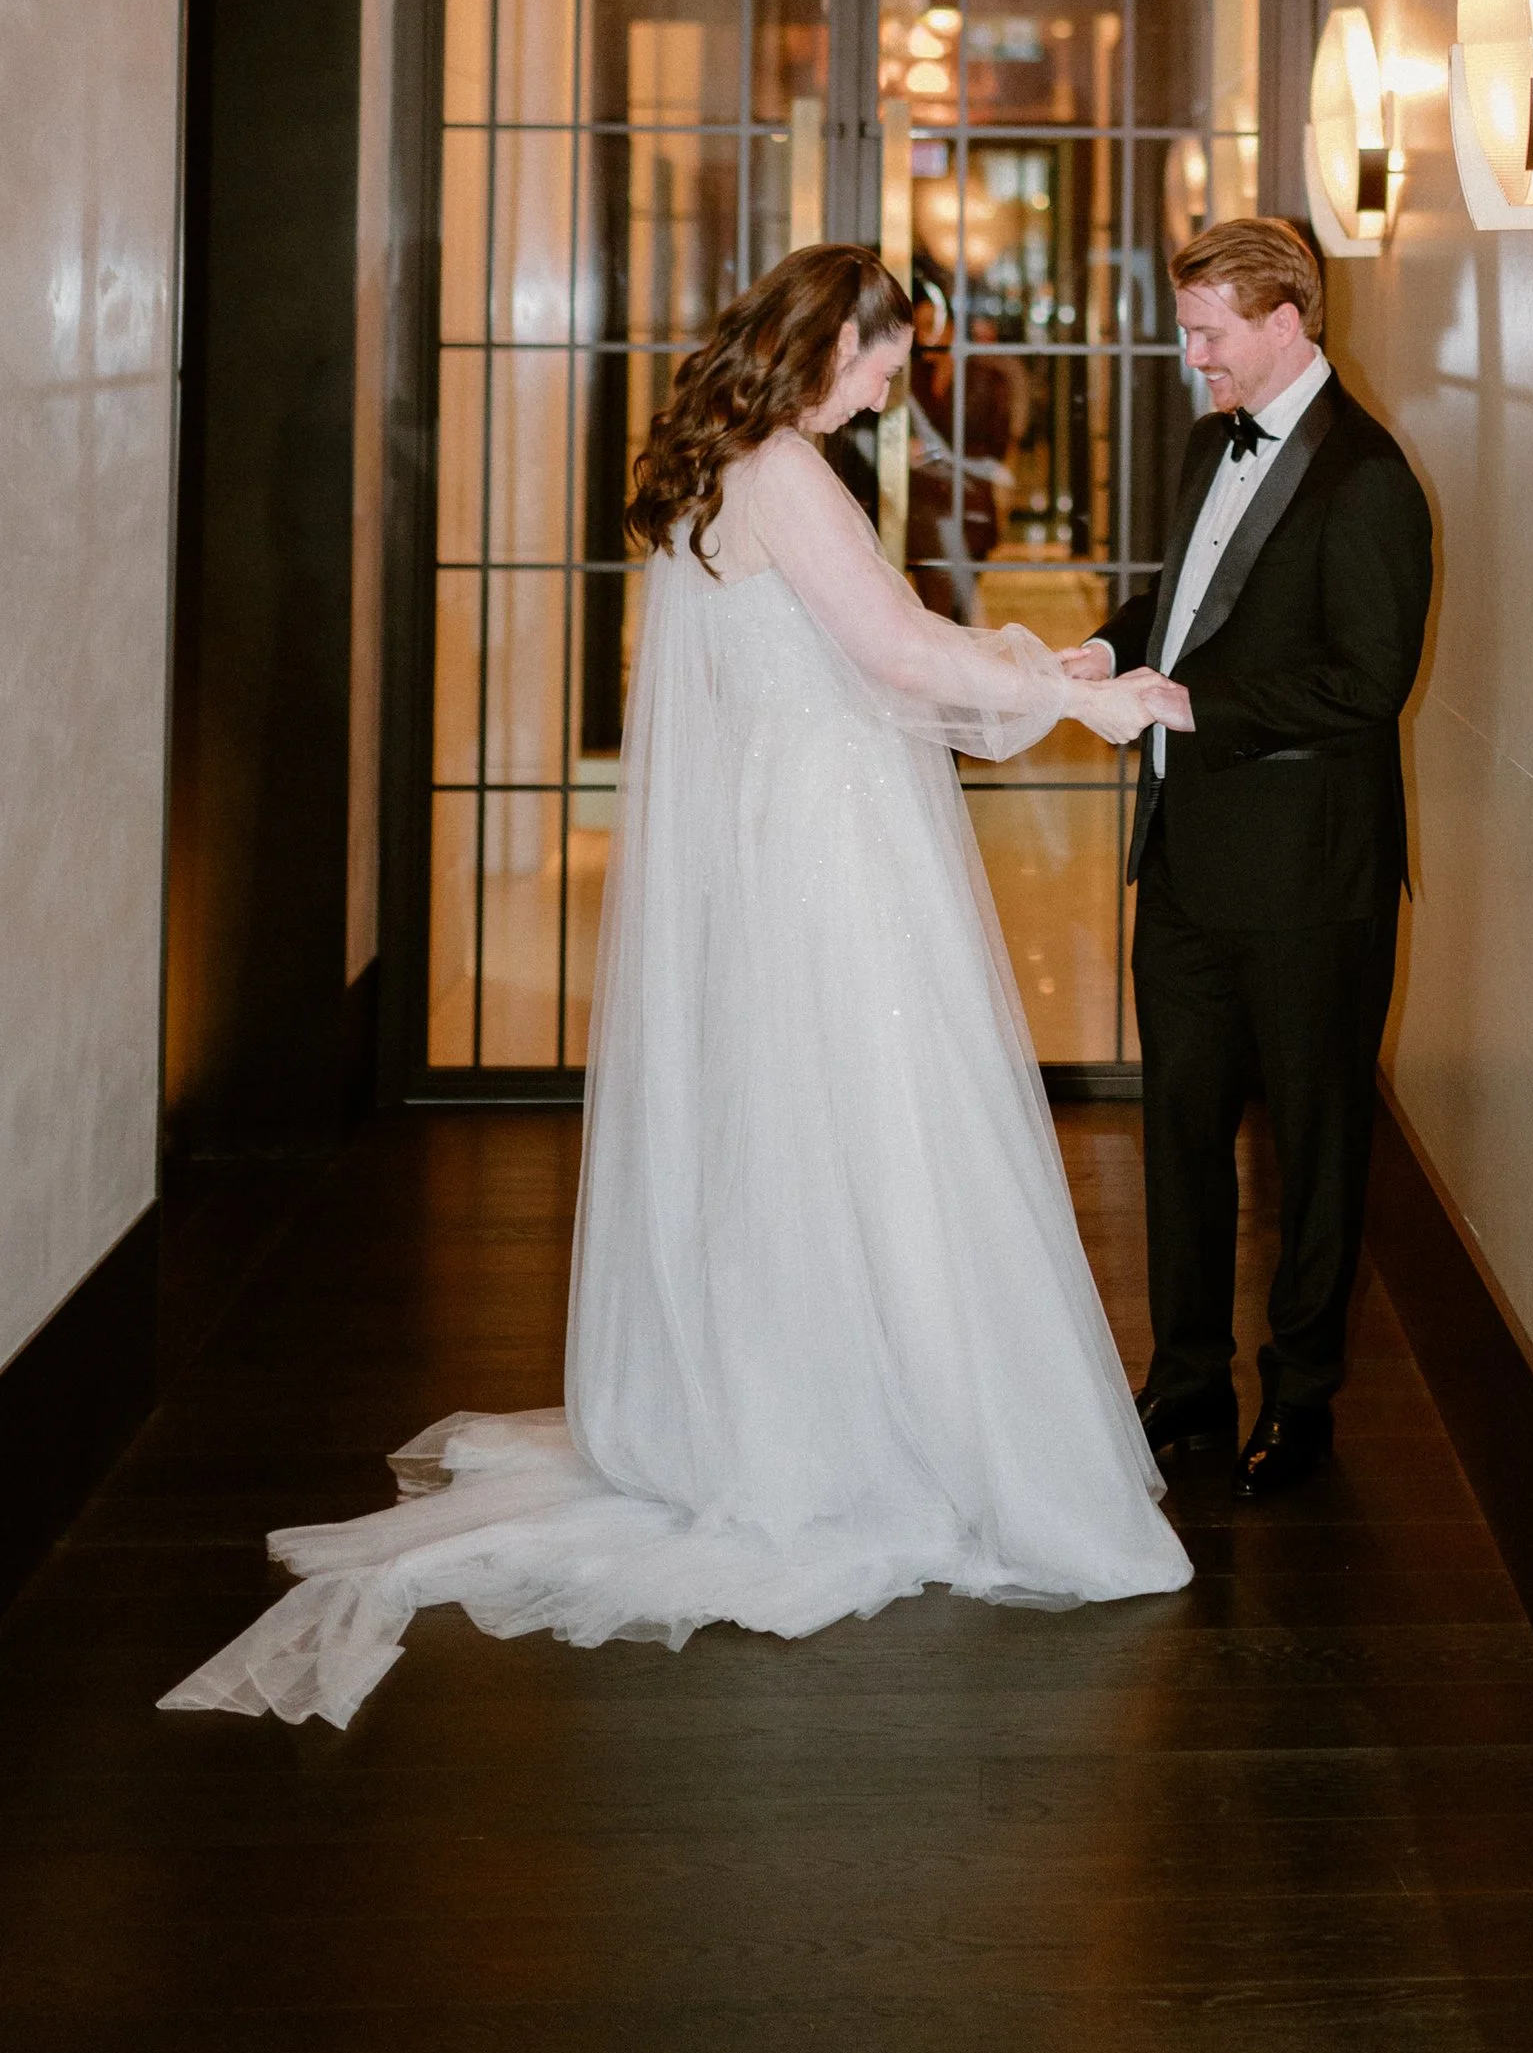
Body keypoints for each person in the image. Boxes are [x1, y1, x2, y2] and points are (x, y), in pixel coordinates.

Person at [163, 244, 1190, 1730]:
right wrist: (1086, 696)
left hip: (775, 834)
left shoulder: (722, 461)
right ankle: (868, 1426)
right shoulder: (786, 469)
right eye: (887, 351)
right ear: (825, 337)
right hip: (835, 838)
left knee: (792, 1127)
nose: (900, 376)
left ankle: (775, 1389)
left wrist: (1037, 655)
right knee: (881, 1119)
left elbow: (862, 652)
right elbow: (895, 655)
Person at [1065, 219, 1434, 1502]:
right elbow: (1189, 604)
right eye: (1187, 328)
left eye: (1208, 332)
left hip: (1307, 880)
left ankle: (1304, 1397)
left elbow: (1367, 682)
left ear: (1287, 322)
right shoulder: (1201, 442)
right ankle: (1182, 1387)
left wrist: (1193, 711)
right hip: (1180, 861)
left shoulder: (1371, 477)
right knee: (1175, 1134)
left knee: (1317, 1149)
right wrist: (1109, 653)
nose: (1191, 357)